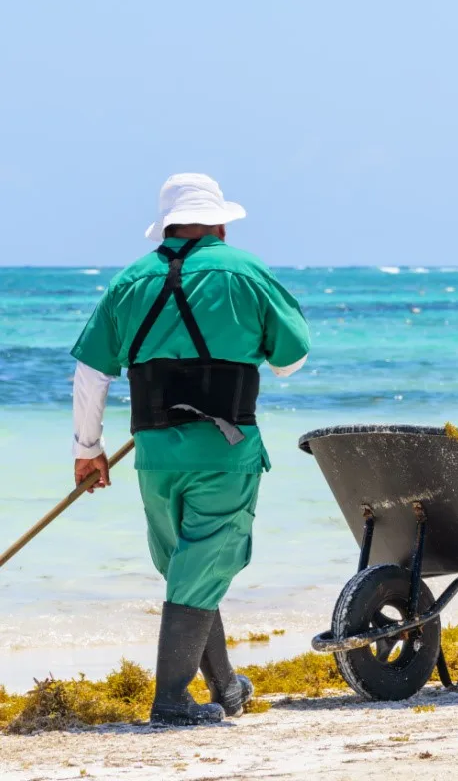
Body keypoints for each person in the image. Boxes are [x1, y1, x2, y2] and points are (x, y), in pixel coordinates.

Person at [70, 173, 310, 725]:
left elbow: (91, 372)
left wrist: (90, 448)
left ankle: (226, 686)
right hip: (224, 451)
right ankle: (171, 701)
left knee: (188, 568)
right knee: (201, 567)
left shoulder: (130, 280)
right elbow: (289, 358)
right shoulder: (244, 270)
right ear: (220, 221)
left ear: (167, 224)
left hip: (154, 455)